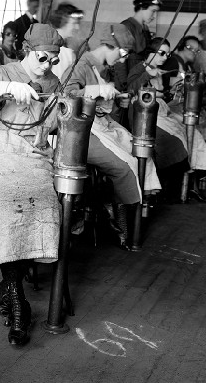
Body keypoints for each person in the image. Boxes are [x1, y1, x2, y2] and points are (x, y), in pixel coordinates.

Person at [0, 23, 63, 347]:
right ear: (26, 50)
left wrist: (66, 112)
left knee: (45, 209)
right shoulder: (2, 72)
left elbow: (57, 124)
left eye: (53, 61)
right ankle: (19, 303)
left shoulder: (54, 82)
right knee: (7, 210)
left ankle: (7, 287)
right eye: (42, 58)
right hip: (0, 152)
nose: (47, 66)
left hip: (35, 156)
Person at [65, 24, 162, 247]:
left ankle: (134, 209)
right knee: (125, 166)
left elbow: (104, 99)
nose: (121, 60)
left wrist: (118, 99)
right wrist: (93, 91)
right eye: (122, 53)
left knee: (141, 151)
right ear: (107, 45)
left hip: (104, 124)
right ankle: (122, 228)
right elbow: (65, 95)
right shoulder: (79, 67)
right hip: (83, 132)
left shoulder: (102, 68)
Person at [127, 37, 206, 202]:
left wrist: (170, 91)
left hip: (161, 111)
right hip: (143, 114)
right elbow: (130, 88)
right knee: (175, 140)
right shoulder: (140, 68)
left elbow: (161, 93)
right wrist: (147, 74)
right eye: (161, 53)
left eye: (167, 54)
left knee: (192, 134)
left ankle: (191, 186)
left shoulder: (159, 69)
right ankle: (173, 191)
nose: (165, 57)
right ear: (150, 52)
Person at [48, 2, 84, 80]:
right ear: (63, 22)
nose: (77, 27)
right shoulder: (62, 52)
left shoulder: (62, 47)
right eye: (74, 23)